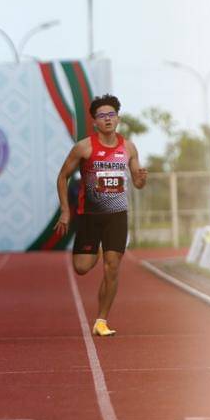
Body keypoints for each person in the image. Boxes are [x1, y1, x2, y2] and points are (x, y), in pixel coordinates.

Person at [54, 94, 148, 337]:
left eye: (111, 115)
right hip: (90, 216)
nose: (107, 119)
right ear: (94, 121)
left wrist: (140, 179)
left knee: (112, 267)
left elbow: (137, 183)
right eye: (102, 116)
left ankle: (101, 320)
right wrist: (65, 211)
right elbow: (62, 177)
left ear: (118, 118)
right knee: (81, 267)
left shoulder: (128, 147)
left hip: (117, 216)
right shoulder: (84, 147)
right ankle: (95, 248)